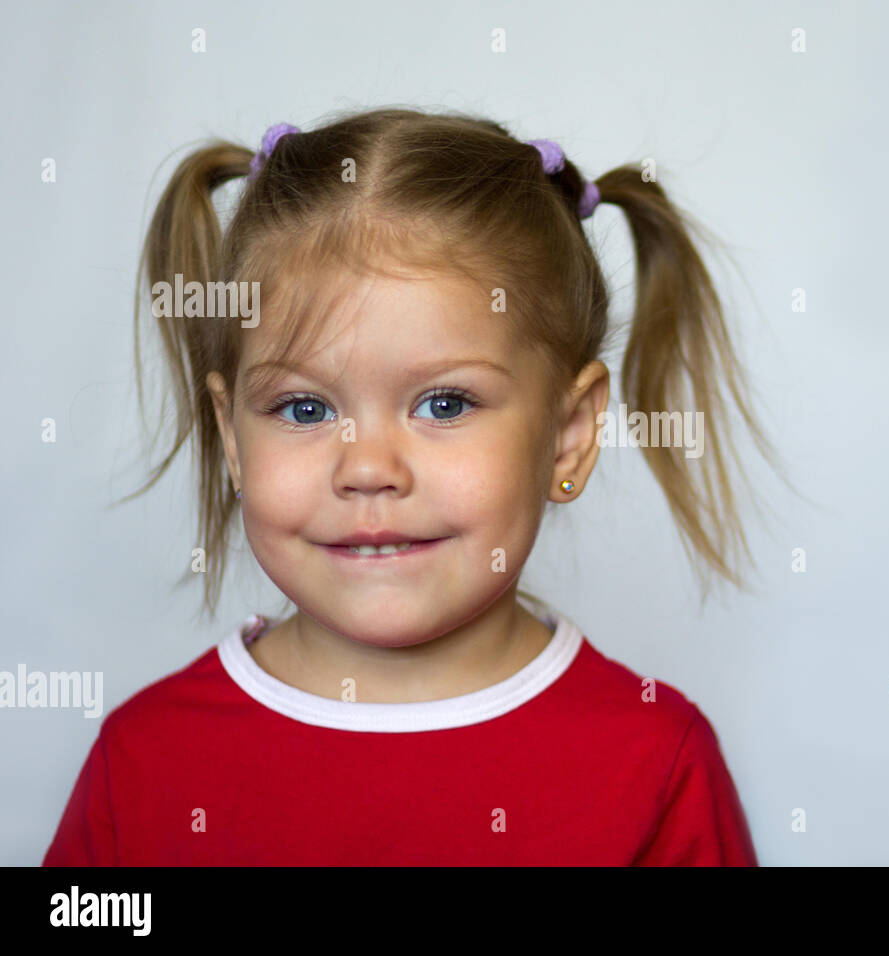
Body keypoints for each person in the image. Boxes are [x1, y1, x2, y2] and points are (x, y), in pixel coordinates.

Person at [42, 108, 778, 865]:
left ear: (570, 434)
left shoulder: (656, 763)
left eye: (445, 404)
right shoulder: (144, 763)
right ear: (233, 437)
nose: (367, 468)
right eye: (304, 408)